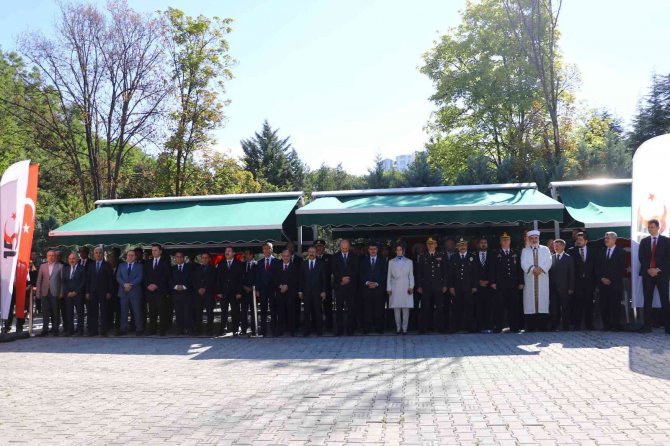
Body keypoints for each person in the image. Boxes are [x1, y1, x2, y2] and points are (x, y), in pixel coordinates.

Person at [638, 218, 670, 333]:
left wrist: (658, 269)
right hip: (648, 274)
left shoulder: (666, 241)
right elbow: (641, 257)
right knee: (647, 300)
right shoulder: (644, 241)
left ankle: (668, 327)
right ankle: (647, 326)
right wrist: (649, 269)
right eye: (649, 227)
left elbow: (668, 258)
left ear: (658, 228)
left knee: (665, 300)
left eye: (652, 227)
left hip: (662, 274)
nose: (650, 229)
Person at [490, 233, 523, 333]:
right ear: (500, 242)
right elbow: (492, 269)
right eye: (503, 240)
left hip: (513, 284)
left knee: (513, 306)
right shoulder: (496, 254)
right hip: (500, 284)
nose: (505, 242)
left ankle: (514, 326)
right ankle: (498, 326)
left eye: (507, 240)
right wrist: (493, 282)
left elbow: (519, 269)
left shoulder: (515, 253)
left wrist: (521, 282)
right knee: (499, 307)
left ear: (510, 241)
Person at [520, 230, 552, 331]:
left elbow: (549, 260)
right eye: (532, 238)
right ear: (529, 239)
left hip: (542, 278)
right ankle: (531, 327)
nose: (534, 240)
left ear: (538, 239)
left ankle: (543, 326)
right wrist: (533, 269)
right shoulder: (525, 250)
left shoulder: (545, 249)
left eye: (536, 238)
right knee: (530, 303)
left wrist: (540, 269)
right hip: (530, 279)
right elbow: (523, 263)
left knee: (543, 302)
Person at [416, 237, 449, 334]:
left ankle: (440, 328)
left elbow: (445, 272)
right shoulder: (423, 256)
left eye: (432, 244)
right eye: (429, 244)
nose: (430, 246)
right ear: (426, 246)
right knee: (425, 307)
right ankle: (424, 328)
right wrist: (419, 285)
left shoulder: (441, 255)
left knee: (439, 307)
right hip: (426, 286)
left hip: (438, 286)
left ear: (436, 245)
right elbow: (419, 273)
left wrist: (445, 285)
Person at [595, 232, 626, 331]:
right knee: (604, 305)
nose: (606, 240)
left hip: (615, 283)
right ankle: (606, 325)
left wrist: (610, 279)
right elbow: (597, 267)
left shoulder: (620, 251)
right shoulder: (601, 251)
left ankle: (616, 325)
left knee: (615, 305)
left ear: (614, 239)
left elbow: (621, 268)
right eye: (605, 238)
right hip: (603, 283)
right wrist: (602, 278)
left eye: (608, 238)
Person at [567, 231, 597, 330]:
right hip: (577, 283)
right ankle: (577, 324)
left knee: (589, 304)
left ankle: (589, 324)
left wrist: (595, 283)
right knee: (577, 304)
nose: (578, 242)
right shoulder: (571, 251)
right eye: (577, 240)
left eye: (580, 240)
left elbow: (595, 267)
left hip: (589, 283)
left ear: (586, 241)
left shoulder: (593, 251)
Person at [449, 238, 478, 333]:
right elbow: (451, 273)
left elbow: (475, 273)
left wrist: (474, 286)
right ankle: (455, 327)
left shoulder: (472, 256)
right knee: (456, 308)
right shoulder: (453, 257)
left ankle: (470, 328)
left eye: (464, 245)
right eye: (460, 245)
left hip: (468, 287)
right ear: (457, 247)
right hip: (457, 287)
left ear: (467, 246)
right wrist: (451, 286)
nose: (462, 247)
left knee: (469, 308)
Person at [359, 241, 388, 334]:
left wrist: (377, 283)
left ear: (377, 250)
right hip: (366, 289)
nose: (373, 251)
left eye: (374, 249)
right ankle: (367, 329)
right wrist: (367, 282)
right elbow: (361, 274)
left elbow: (385, 274)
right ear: (368, 250)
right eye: (371, 249)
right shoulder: (363, 261)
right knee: (367, 310)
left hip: (378, 289)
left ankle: (379, 328)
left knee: (379, 310)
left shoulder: (383, 260)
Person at [85, 246, 115, 336]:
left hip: (104, 292)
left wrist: (109, 292)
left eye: (100, 253)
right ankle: (94, 331)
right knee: (93, 312)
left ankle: (103, 331)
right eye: (96, 253)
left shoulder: (107, 265)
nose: (98, 254)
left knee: (104, 311)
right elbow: (88, 280)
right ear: (93, 254)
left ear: (102, 254)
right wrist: (87, 292)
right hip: (93, 292)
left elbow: (110, 279)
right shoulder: (91, 265)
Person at [332, 239, 359, 336]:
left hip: (351, 287)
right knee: (338, 309)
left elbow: (356, 270)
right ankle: (339, 330)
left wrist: (348, 278)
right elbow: (333, 270)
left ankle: (350, 330)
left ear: (349, 247)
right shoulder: (335, 257)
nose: (344, 250)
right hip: (340, 287)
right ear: (340, 247)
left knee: (351, 309)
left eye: (346, 248)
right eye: (343, 248)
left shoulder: (354, 257)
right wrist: (341, 279)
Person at [144, 243, 172, 336]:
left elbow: (166, 276)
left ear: (160, 251)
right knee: (152, 311)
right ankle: (152, 329)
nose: (154, 252)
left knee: (162, 311)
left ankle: (162, 330)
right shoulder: (148, 262)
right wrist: (148, 285)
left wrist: (156, 285)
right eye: (152, 250)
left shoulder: (165, 262)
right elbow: (145, 276)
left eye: (155, 250)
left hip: (161, 290)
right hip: (150, 291)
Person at [299, 246, 327, 336]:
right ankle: (307, 330)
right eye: (310, 251)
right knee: (306, 312)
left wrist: (323, 291)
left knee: (318, 311)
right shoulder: (303, 264)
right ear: (308, 252)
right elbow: (301, 279)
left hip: (317, 292)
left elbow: (324, 279)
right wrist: (300, 291)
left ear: (316, 252)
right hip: (306, 292)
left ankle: (319, 330)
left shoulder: (321, 264)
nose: (311, 253)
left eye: (313, 252)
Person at [387, 244, 414, 334]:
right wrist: (389, 288)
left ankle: (405, 328)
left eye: (400, 249)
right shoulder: (391, 261)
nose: (398, 251)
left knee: (406, 308)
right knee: (396, 308)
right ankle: (398, 328)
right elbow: (389, 276)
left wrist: (411, 286)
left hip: (406, 286)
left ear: (403, 251)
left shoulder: (409, 261)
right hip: (395, 286)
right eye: (397, 250)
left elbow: (411, 275)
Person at [217, 246, 244, 336]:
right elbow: (218, 279)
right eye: (226, 251)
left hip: (235, 292)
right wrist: (219, 291)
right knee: (223, 311)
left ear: (233, 253)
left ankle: (235, 329)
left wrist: (239, 292)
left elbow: (241, 279)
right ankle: (223, 329)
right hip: (224, 292)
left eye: (229, 251)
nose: (227, 253)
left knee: (235, 311)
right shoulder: (221, 264)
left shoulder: (239, 264)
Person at [116, 249, 144, 335]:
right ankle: (123, 329)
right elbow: (118, 277)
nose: (130, 257)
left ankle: (139, 329)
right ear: (126, 256)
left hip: (135, 292)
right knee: (123, 312)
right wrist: (125, 284)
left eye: (132, 255)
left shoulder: (139, 266)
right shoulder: (121, 265)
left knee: (137, 312)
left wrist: (130, 285)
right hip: (123, 292)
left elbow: (140, 277)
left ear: (135, 257)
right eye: (129, 255)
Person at [272, 249, 300, 336]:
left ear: (290, 257)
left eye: (287, 256)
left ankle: (292, 331)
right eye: (284, 256)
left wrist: (287, 286)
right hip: (280, 292)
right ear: (281, 256)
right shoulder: (277, 266)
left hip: (290, 293)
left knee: (291, 312)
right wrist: (280, 285)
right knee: (280, 312)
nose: (285, 258)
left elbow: (296, 279)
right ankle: (280, 330)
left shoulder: (295, 266)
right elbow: (274, 278)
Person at [36, 250, 64, 336]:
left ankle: (55, 330)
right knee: (45, 312)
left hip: (55, 292)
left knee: (55, 312)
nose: (51, 257)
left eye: (53, 255)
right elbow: (39, 280)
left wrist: (61, 292)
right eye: (49, 255)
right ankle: (45, 330)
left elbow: (62, 281)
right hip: (45, 292)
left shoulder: (60, 266)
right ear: (47, 256)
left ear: (55, 257)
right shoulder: (42, 266)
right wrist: (38, 292)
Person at [549, 239, 574, 331]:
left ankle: (566, 326)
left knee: (565, 308)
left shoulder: (568, 258)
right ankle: (554, 326)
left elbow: (571, 274)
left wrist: (571, 287)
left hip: (565, 288)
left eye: (558, 245)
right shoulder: (551, 257)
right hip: (554, 288)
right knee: (554, 308)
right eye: (555, 245)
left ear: (563, 246)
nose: (556, 247)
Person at [192, 252, 218, 336]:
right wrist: (199, 288)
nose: (204, 259)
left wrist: (205, 288)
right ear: (201, 259)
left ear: (209, 259)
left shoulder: (213, 269)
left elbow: (214, 281)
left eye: (206, 258)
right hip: (198, 294)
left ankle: (209, 330)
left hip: (209, 294)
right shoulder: (197, 269)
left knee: (210, 313)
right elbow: (194, 281)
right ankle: (198, 330)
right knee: (198, 313)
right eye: (203, 257)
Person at [255, 242, 277, 336]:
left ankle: (274, 330)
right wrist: (257, 289)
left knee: (273, 310)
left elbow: (278, 276)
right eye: (264, 248)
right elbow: (257, 277)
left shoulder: (277, 261)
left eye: (268, 248)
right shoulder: (259, 263)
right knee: (263, 311)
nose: (266, 250)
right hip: (262, 290)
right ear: (262, 250)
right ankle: (263, 331)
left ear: (271, 249)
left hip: (273, 290)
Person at [62, 252, 86, 336]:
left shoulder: (82, 268)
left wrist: (76, 291)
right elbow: (63, 282)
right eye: (70, 259)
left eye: (73, 258)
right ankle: (70, 330)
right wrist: (68, 292)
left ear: (77, 259)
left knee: (80, 313)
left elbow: (83, 282)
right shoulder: (65, 269)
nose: (71, 260)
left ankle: (80, 330)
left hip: (78, 294)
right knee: (69, 313)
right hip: (68, 295)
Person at [474, 236, 494, 332]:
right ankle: (479, 327)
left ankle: (488, 326)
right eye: (481, 242)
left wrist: (489, 281)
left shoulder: (492, 255)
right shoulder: (473, 255)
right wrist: (478, 281)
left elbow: (494, 270)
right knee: (478, 307)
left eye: (485, 242)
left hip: (489, 286)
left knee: (489, 307)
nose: (483, 244)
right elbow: (472, 271)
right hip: (478, 287)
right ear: (478, 244)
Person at [315, 239, 333, 332]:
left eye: (321, 246)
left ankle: (329, 326)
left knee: (328, 307)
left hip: (326, 286)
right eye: (317, 247)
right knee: (316, 308)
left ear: (324, 247)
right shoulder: (312, 258)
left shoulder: (329, 258)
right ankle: (317, 327)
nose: (319, 248)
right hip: (315, 287)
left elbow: (331, 271)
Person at [240, 249, 257, 336]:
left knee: (254, 311)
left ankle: (254, 329)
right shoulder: (242, 265)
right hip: (244, 292)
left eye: (246, 254)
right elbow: (239, 277)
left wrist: (252, 287)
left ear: (251, 255)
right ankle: (244, 329)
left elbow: (258, 277)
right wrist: (243, 286)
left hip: (253, 292)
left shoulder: (256, 264)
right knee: (244, 311)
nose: (245, 256)